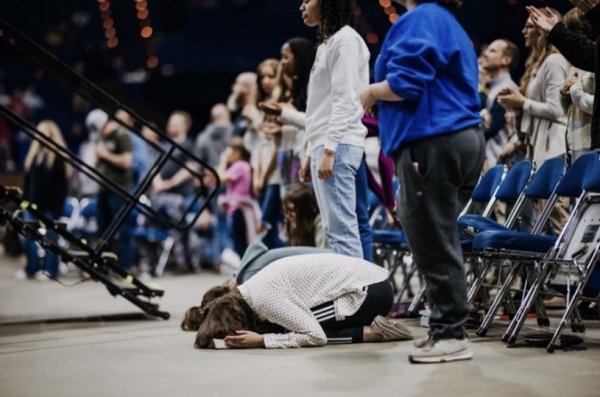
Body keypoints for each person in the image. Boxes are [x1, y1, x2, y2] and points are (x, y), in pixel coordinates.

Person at [360, 0, 484, 363]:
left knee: (432, 238)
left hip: (432, 139)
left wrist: (370, 92)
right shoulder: (445, 21)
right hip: (455, 137)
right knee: (438, 237)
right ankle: (444, 328)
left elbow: (405, 83)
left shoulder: (421, 17)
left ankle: (450, 334)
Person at [186, 252, 413, 348]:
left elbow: (316, 337)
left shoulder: (264, 301)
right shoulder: (253, 291)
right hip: (372, 284)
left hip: (369, 293)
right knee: (287, 328)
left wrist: (263, 340)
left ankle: (376, 334)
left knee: (291, 333)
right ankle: (372, 330)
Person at [297, 0, 371, 259]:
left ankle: (359, 296)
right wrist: (310, 151)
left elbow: (346, 100)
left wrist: (329, 149)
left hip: (338, 145)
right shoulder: (327, 44)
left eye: (308, 0)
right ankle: (355, 294)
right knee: (334, 230)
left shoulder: (346, 41)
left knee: (343, 232)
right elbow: (320, 107)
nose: (302, 7)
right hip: (325, 145)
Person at [527, 2, 599, 156]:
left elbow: (594, 105)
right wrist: (564, 94)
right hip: (575, 144)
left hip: (588, 145)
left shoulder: (590, 63)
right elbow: (567, 111)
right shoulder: (577, 64)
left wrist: (576, 91)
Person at [16, 120, 70, 281]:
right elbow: (28, 182)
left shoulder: (58, 156)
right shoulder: (33, 155)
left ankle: (50, 271)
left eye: (45, 131)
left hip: (50, 205)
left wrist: (58, 206)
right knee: (28, 237)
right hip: (32, 204)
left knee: (50, 239)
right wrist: (24, 201)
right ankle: (30, 269)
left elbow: (62, 185)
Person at [282, 183, 329, 248]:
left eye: (292, 211)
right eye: (286, 211)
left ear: (305, 210)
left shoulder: (321, 225)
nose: (288, 216)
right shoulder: (294, 225)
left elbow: (323, 255)